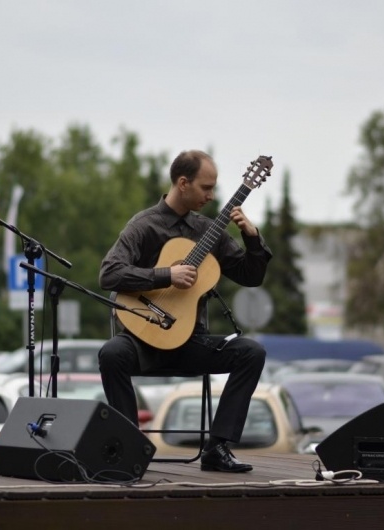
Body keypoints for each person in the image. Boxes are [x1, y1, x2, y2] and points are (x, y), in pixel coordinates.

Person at [98, 149, 272, 473]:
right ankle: (130, 447)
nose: (212, 195)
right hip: (143, 342)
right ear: (182, 183)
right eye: (206, 188)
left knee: (251, 352)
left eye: (214, 188)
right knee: (111, 353)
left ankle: (218, 448)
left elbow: (251, 277)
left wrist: (252, 239)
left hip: (191, 342)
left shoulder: (211, 231)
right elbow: (109, 273)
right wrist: (165, 275)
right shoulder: (144, 226)